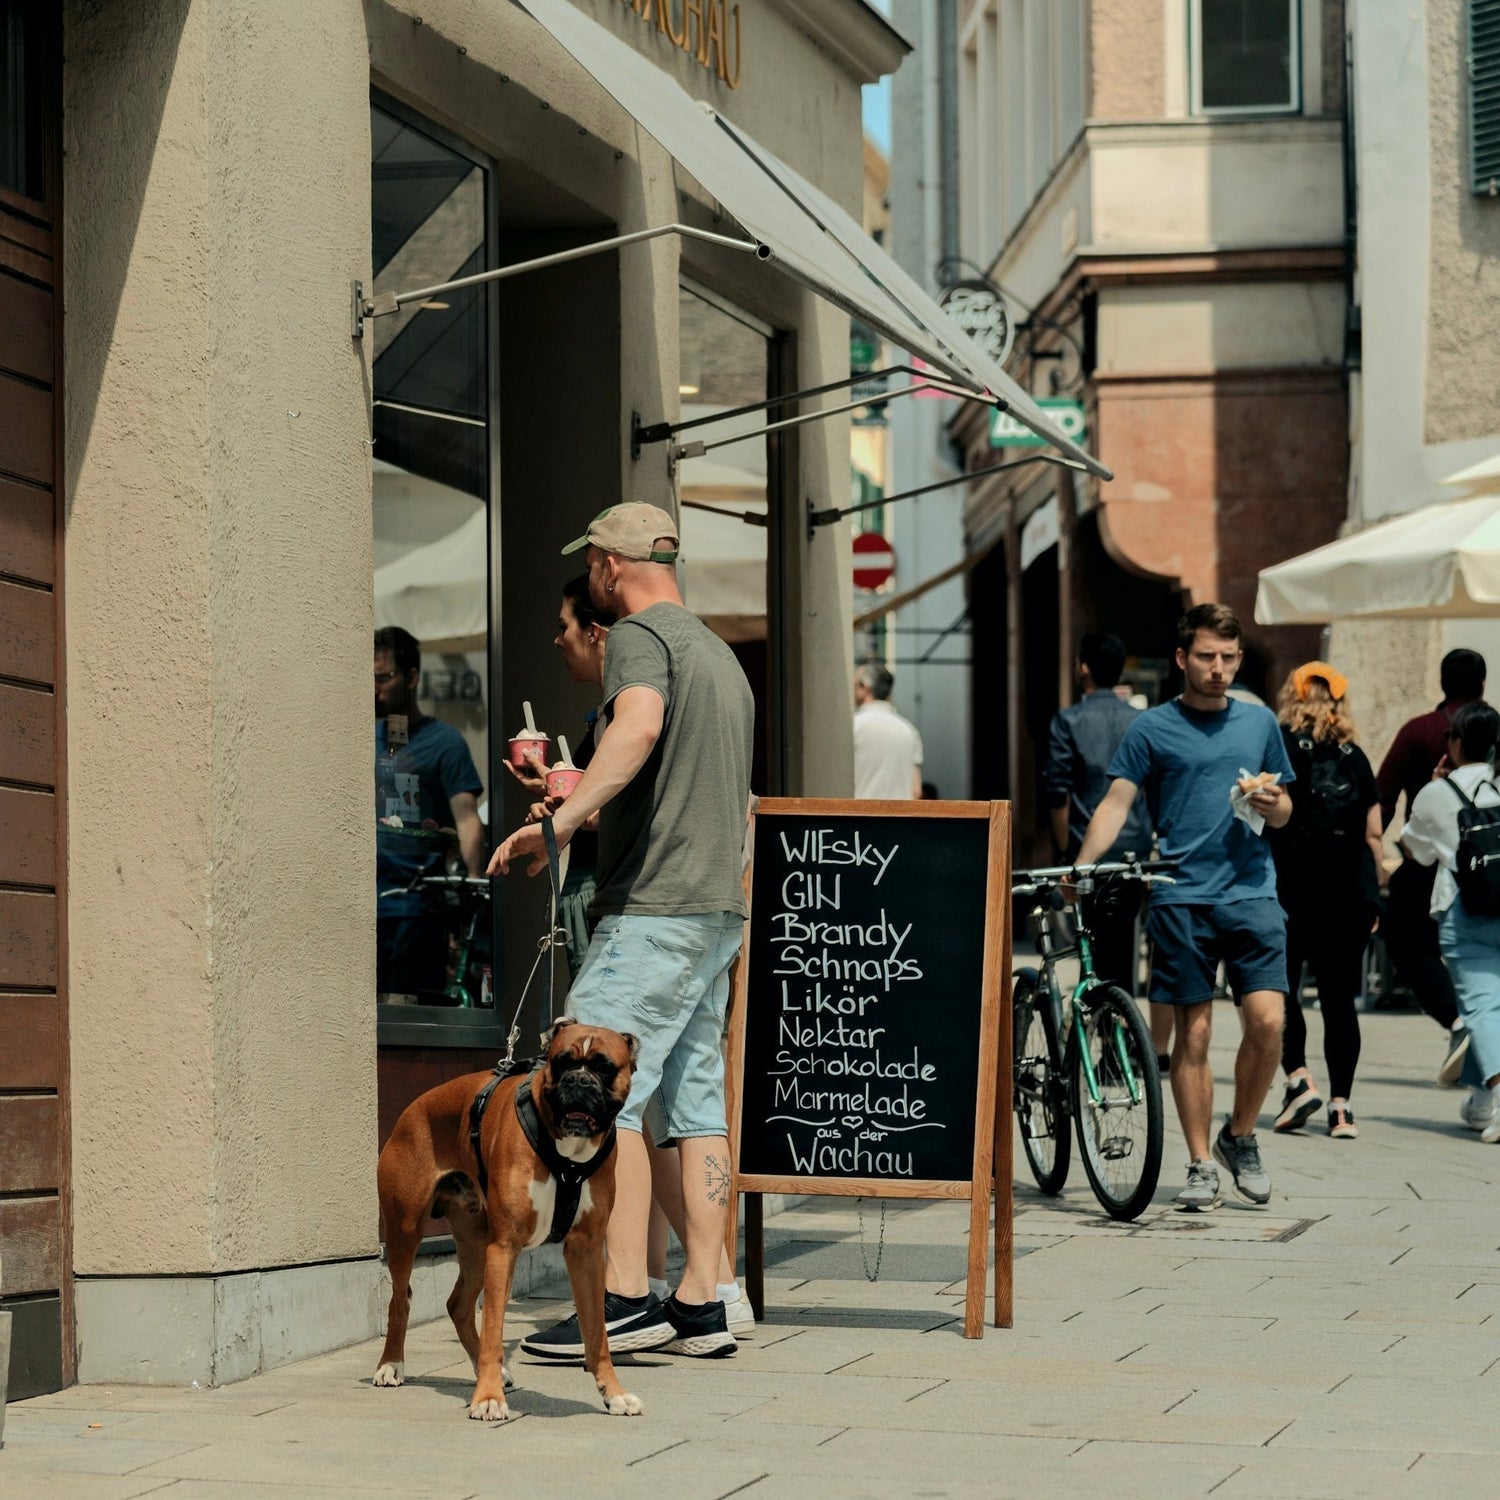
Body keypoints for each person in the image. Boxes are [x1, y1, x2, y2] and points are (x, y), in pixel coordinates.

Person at [492, 503, 754, 1359]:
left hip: (653, 912)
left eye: (593, 566)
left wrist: (557, 824)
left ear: (608, 566)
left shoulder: (641, 638)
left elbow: (638, 727)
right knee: (695, 1103)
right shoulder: (719, 654)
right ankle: (704, 1300)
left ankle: (625, 1296)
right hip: (713, 912)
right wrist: (580, 799)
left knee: (610, 1094)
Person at [1073, 603, 1294, 1211]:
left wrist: (1272, 803)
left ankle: (1239, 1135)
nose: (1218, 669)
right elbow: (1117, 802)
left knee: (1269, 1023)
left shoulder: (1259, 723)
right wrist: (1084, 867)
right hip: (1179, 895)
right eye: (1206, 657)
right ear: (1182, 659)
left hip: (1252, 892)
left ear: (1239, 660)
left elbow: (1285, 812)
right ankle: (1200, 1163)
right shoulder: (1151, 729)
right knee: (1192, 1034)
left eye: (1228, 658)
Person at [1267, 663, 1384, 1140]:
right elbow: (1374, 834)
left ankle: (1298, 1078)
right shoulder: (1355, 756)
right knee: (1339, 999)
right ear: (1338, 701)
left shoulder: (1282, 745)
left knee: (1281, 991)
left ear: (1292, 697)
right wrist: (1374, 897)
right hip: (1348, 894)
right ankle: (1341, 1109)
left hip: (1291, 888)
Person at [1378, 649, 1486, 1091]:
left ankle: (1458, 1019)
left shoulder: (1419, 730)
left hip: (1428, 865)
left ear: (1442, 682)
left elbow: (1382, 797)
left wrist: (1370, 854)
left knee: (1405, 943)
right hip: (1490, 868)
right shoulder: (1492, 727)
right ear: (1482, 683)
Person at [1398, 701, 1500, 1142]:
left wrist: (1437, 785)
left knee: (1480, 1007)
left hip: (1466, 909)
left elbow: (1414, 850)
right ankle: (1480, 1101)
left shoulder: (1436, 794)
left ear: (1455, 744)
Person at [508, 575, 617, 979]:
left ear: (592, 633)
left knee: (597, 1028)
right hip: (590, 890)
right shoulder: (609, 713)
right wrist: (555, 790)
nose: (557, 640)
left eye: (563, 626)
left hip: (602, 894)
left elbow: (626, 802)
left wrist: (576, 810)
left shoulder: (627, 718)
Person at [1044, 631, 1154, 1022]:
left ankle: (1101, 1029)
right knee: (1122, 943)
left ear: (1084, 668)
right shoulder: (1142, 721)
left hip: (1086, 849)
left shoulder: (1068, 720)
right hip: (1134, 851)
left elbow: (1058, 794)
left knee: (1090, 946)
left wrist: (1064, 850)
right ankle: (1118, 1031)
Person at [374, 626, 484, 999]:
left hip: (418, 908)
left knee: (410, 1014)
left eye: (385, 677)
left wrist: (472, 887)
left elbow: (467, 816)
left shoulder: (445, 743)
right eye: (370, 679)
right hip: (362, 906)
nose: (377, 688)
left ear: (412, 678)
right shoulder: (359, 737)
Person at [853, 662, 923, 799]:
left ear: (864, 688)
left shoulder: (853, 726)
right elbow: (916, 791)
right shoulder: (909, 731)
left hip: (860, 816)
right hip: (900, 818)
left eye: (855, 685)